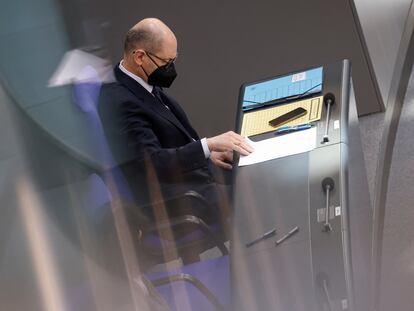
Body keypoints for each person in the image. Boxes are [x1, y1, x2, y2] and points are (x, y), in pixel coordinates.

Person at [98, 18, 253, 226]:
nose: (171, 69)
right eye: (166, 63)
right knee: (256, 191)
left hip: (190, 175)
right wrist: (208, 145)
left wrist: (208, 155)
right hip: (175, 198)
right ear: (140, 57)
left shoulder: (141, 78)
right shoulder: (119, 101)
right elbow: (153, 163)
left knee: (254, 173)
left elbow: (167, 138)